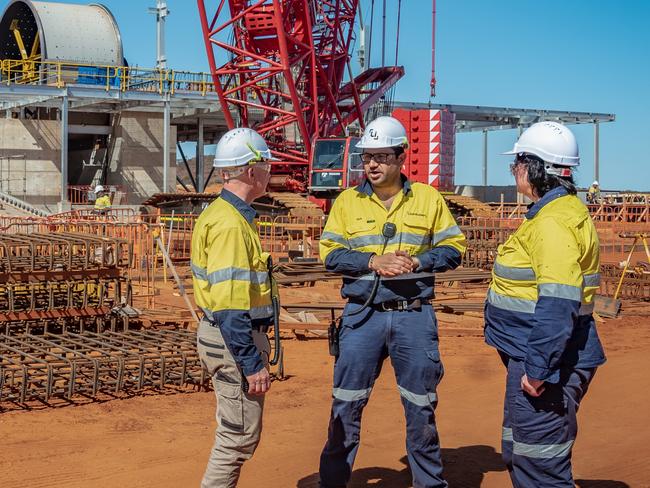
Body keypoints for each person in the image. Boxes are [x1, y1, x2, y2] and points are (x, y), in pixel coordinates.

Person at [318, 116, 467, 488]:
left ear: (402, 157)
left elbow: (454, 248)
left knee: (420, 408)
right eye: (368, 156)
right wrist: (372, 261)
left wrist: (419, 261)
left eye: (382, 156)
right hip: (361, 317)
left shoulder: (428, 200)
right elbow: (330, 254)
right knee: (346, 405)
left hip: (413, 317)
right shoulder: (347, 203)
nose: (372, 164)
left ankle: (429, 484)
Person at [484, 121, 606, 487]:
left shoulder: (552, 223)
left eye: (518, 162)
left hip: (547, 364)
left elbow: (557, 305)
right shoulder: (556, 212)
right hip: (537, 356)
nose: (514, 170)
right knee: (521, 453)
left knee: (540, 468)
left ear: (535, 168)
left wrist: (538, 369)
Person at [190, 127, 276, 488]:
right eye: (267, 164)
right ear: (252, 171)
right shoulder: (230, 225)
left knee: (235, 434)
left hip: (222, 337)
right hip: (232, 340)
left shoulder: (223, 215)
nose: (272, 172)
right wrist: (251, 363)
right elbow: (229, 308)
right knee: (236, 439)